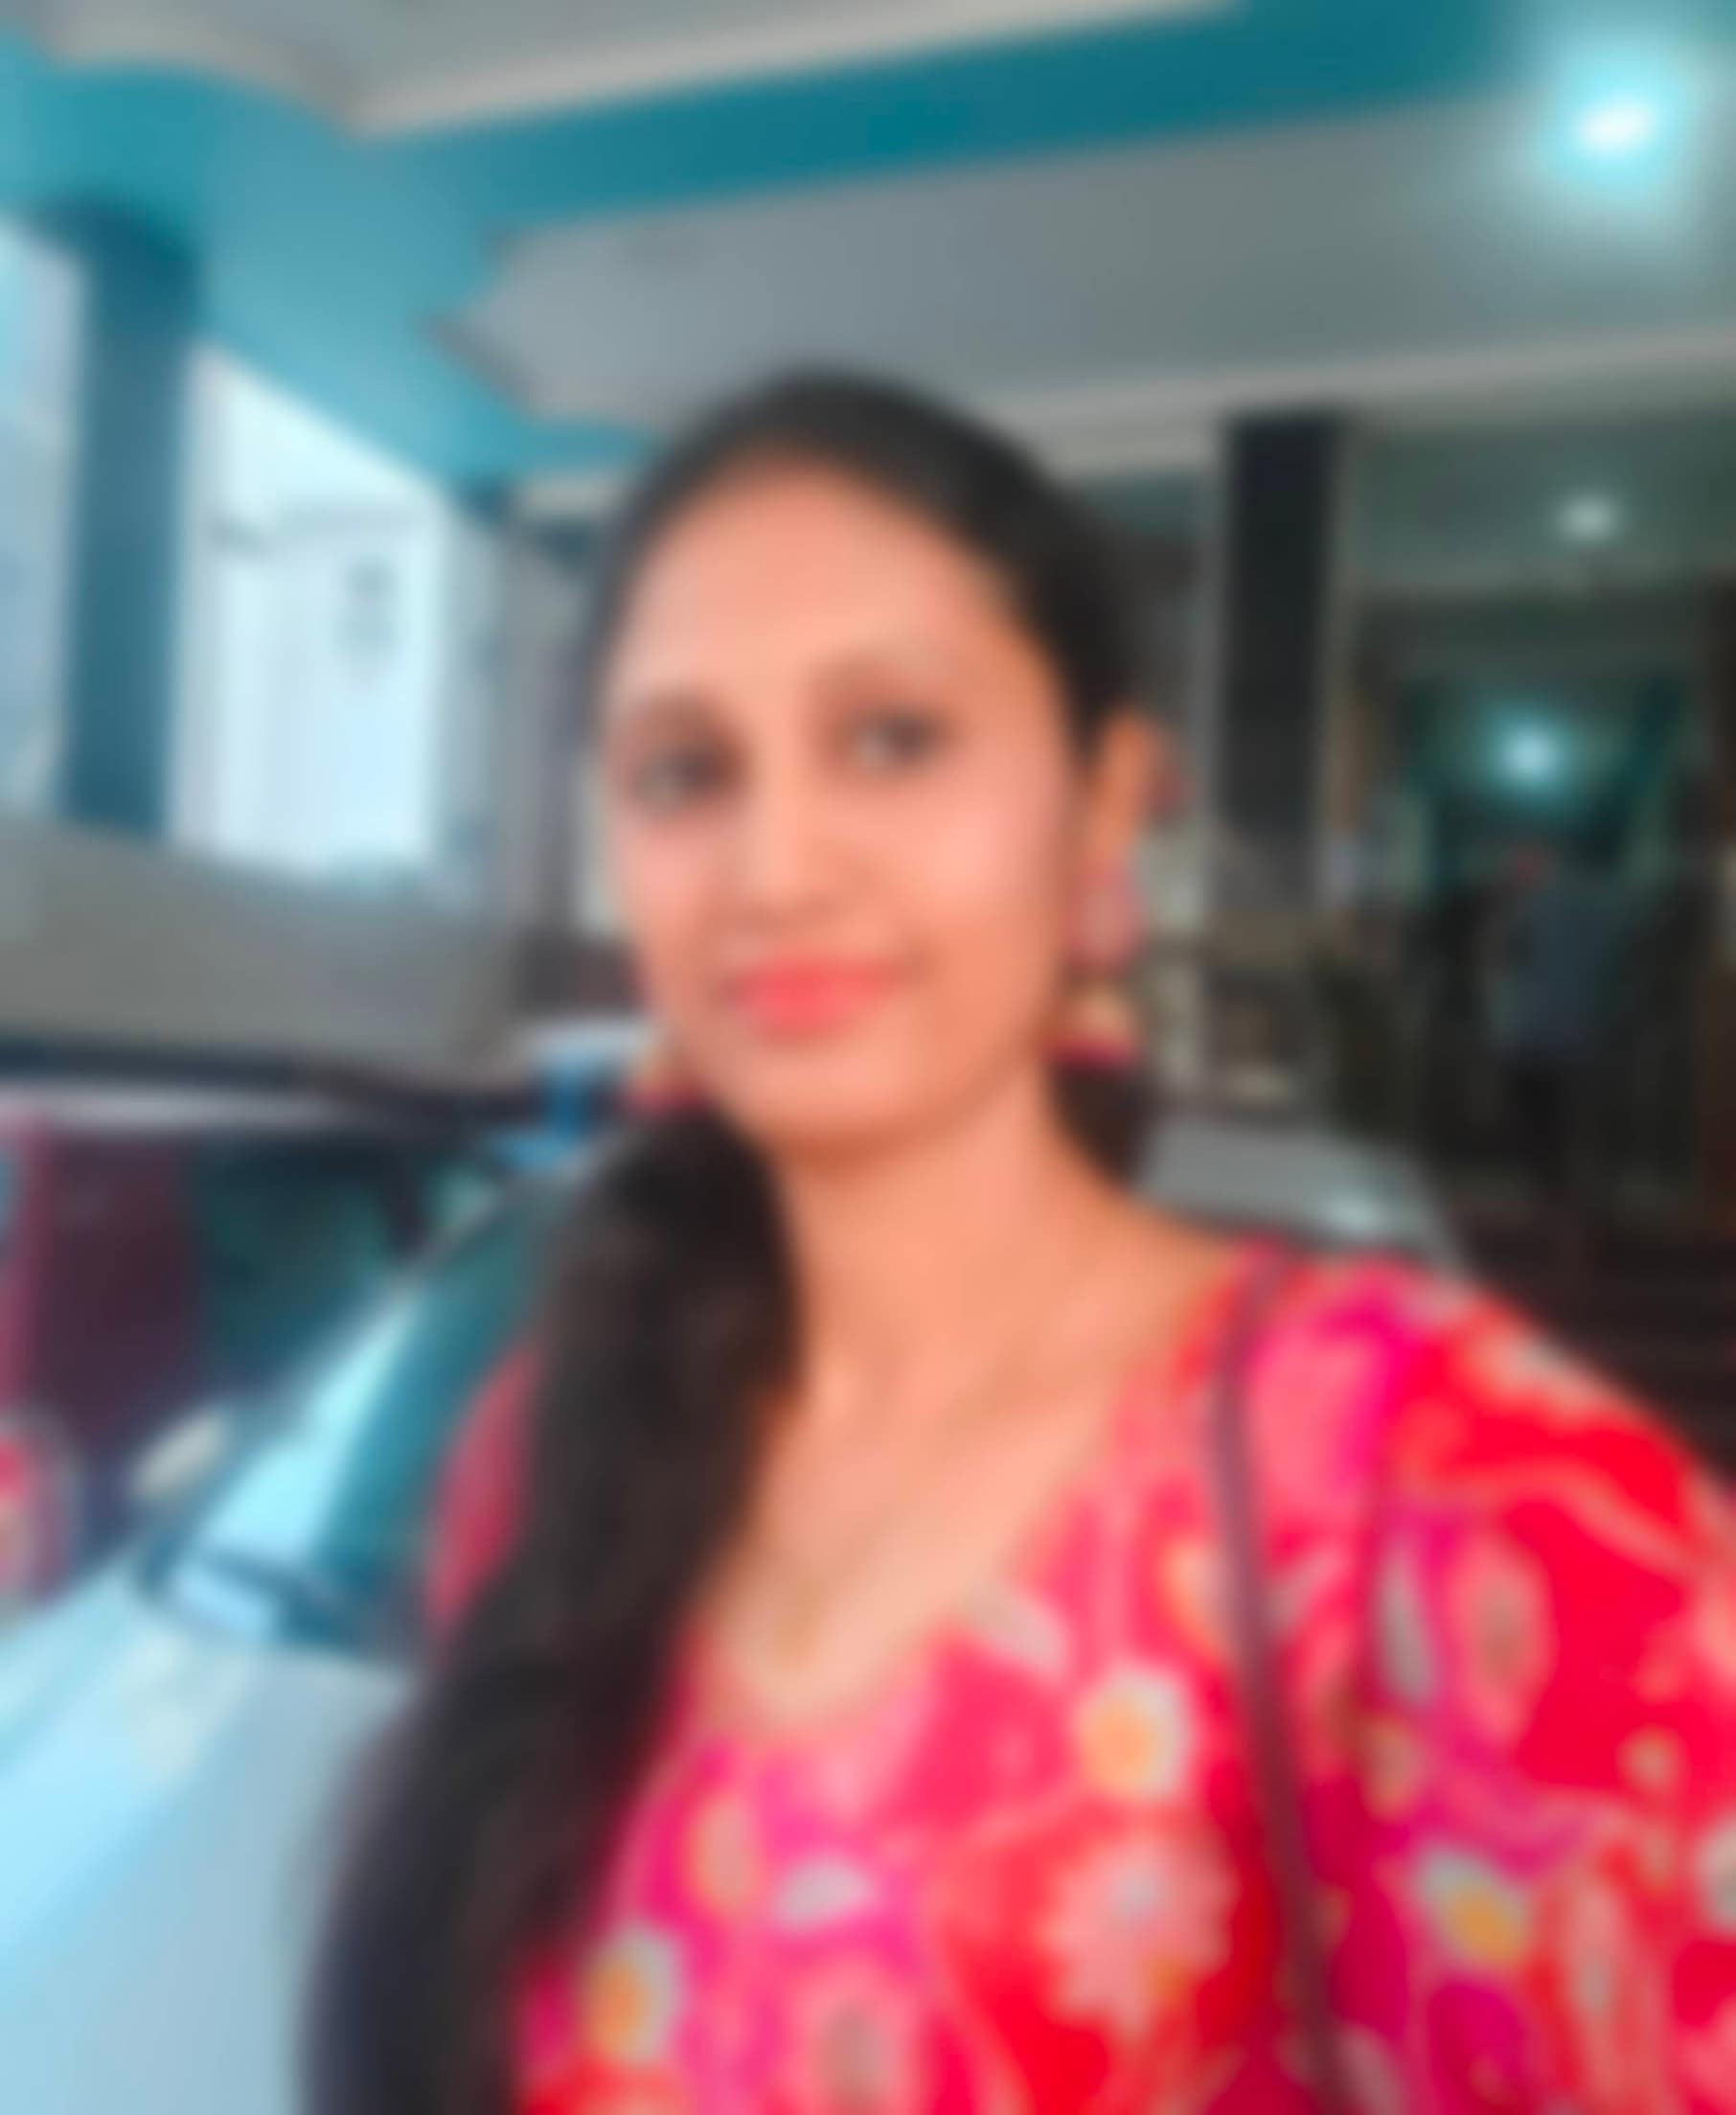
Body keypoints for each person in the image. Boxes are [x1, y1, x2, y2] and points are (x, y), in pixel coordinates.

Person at [309, 376, 1736, 2115]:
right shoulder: (537, 1454)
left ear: (1105, 810)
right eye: (684, 771)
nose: (776, 866)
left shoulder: (1436, 1492)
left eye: (893, 737)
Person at [1487, 838, 1625, 1263]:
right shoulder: (1603, 911)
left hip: (1533, 1037)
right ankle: (1578, 1228)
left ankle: (1554, 1218)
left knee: (1542, 1134)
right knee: (1577, 1134)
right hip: (1582, 1038)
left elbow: (1504, 963)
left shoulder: (1526, 911)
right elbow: (1615, 974)